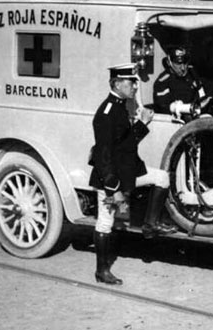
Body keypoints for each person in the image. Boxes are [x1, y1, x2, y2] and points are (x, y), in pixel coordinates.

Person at [89, 64, 176, 285]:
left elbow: (126, 144)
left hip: (128, 172)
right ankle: (102, 271)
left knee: (162, 178)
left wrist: (142, 123)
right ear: (117, 84)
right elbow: (104, 156)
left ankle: (149, 225)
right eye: (131, 82)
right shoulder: (107, 113)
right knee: (105, 222)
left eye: (135, 82)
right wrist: (114, 190)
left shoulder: (122, 106)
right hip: (110, 178)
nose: (136, 86)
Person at [153, 47, 206, 115]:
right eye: (179, 64)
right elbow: (162, 107)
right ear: (169, 62)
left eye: (185, 63)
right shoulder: (163, 82)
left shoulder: (192, 74)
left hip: (196, 115)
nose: (183, 68)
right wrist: (186, 108)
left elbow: (202, 95)